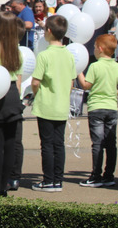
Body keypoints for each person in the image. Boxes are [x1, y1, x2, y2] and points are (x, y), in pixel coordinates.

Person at [76, 34, 118, 187]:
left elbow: (86, 85)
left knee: (97, 143)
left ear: (100, 49)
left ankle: (95, 175)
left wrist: (79, 71)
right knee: (111, 143)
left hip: (96, 107)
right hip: (111, 107)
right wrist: (111, 93)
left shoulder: (95, 66)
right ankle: (109, 175)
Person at [31, 15, 74, 192]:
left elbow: (35, 82)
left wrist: (36, 94)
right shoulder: (69, 55)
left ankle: (48, 179)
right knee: (58, 144)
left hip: (46, 105)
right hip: (62, 104)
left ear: (48, 31)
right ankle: (58, 179)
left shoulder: (44, 55)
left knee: (47, 144)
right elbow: (71, 82)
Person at [0, 12, 24, 196]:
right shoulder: (17, 52)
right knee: (10, 144)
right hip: (13, 96)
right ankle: (5, 184)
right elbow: (19, 80)